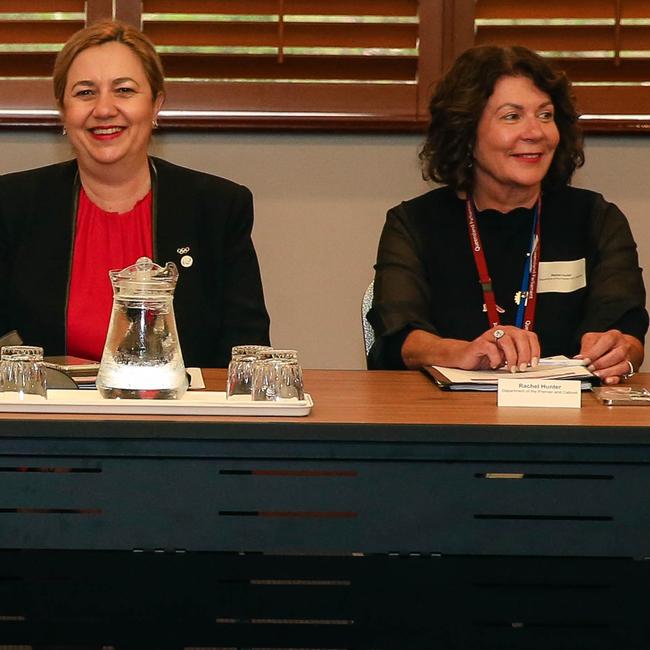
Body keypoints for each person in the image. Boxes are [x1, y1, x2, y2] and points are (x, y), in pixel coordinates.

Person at [367, 45, 647, 384]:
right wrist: (460, 352)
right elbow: (399, 336)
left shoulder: (596, 219)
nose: (536, 132)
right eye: (512, 116)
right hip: (448, 418)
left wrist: (620, 352)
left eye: (545, 115)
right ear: (466, 133)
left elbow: (627, 329)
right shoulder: (414, 224)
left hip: (570, 419)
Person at [0, 20, 270, 368]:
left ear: (156, 104)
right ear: (63, 111)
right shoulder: (11, 205)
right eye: (85, 92)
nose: (104, 108)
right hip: (51, 416)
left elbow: (245, 350)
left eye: (124, 90)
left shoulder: (217, 208)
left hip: (184, 417)